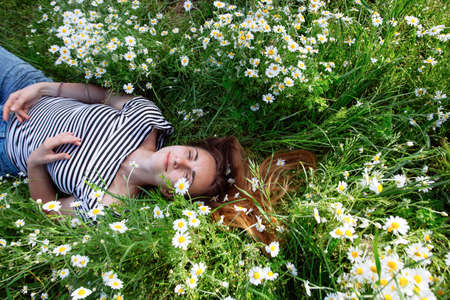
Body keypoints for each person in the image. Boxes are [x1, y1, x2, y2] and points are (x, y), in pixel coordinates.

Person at [0, 46, 316, 243]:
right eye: (191, 155)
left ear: (169, 193)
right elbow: (99, 96)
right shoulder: (147, 118)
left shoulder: (110, 206)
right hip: (24, 86)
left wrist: (36, 165)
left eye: (188, 177)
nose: (180, 163)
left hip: (7, 145)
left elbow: (50, 213)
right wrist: (45, 87)